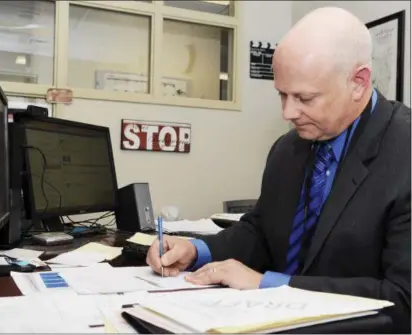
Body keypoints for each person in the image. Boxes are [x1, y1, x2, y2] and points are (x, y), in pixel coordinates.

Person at [146, 6, 411, 333]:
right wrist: (196, 250)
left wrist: (266, 284)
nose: (289, 112)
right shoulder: (288, 148)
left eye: (304, 97)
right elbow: (261, 232)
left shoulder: (405, 152)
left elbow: (403, 299)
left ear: (358, 82)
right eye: (282, 95)